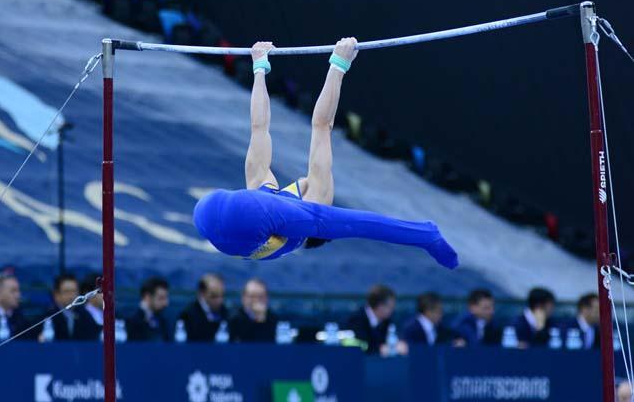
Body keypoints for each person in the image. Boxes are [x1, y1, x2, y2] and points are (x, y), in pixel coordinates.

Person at [193, 40, 458, 269]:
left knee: (355, 222)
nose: (303, 181)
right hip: (209, 217)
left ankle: (425, 234)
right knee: (264, 138)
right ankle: (425, 234)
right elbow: (259, 128)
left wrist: (339, 63)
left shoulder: (300, 212)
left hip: (235, 223)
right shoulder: (270, 197)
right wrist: (259, 66)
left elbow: (323, 126)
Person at [345, 284, 407, 356]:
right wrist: (379, 349)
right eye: (390, 307)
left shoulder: (388, 321)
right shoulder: (356, 320)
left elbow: (394, 339)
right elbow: (361, 346)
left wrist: (399, 345)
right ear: (380, 306)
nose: (392, 310)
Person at [179, 274, 229, 341]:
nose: (220, 300)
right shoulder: (188, 315)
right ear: (201, 294)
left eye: (222, 295)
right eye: (214, 296)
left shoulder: (227, 313)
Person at [228, 278, 277, 343]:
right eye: (252, 296)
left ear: (267, 298)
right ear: (243, 298)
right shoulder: (233, 319)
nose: (256, 300)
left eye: (261, 296)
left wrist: (261, 320)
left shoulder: (274, 319)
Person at [126, 276, 171, 342]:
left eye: (166, 298)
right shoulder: (131, 320)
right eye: (161, 298)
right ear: (147, 297)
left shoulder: (163, 321)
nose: (166, 303)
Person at [41, 273, 81, 341]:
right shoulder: (48, 316)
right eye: (67, 292)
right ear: (56, 295)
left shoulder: (85, 315)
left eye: (74, 291)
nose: (71, 296)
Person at [74, 273, 105, 340]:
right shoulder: (79, 316)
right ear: (89, 293)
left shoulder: (114, 314)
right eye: (102, 291)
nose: (107, 294)